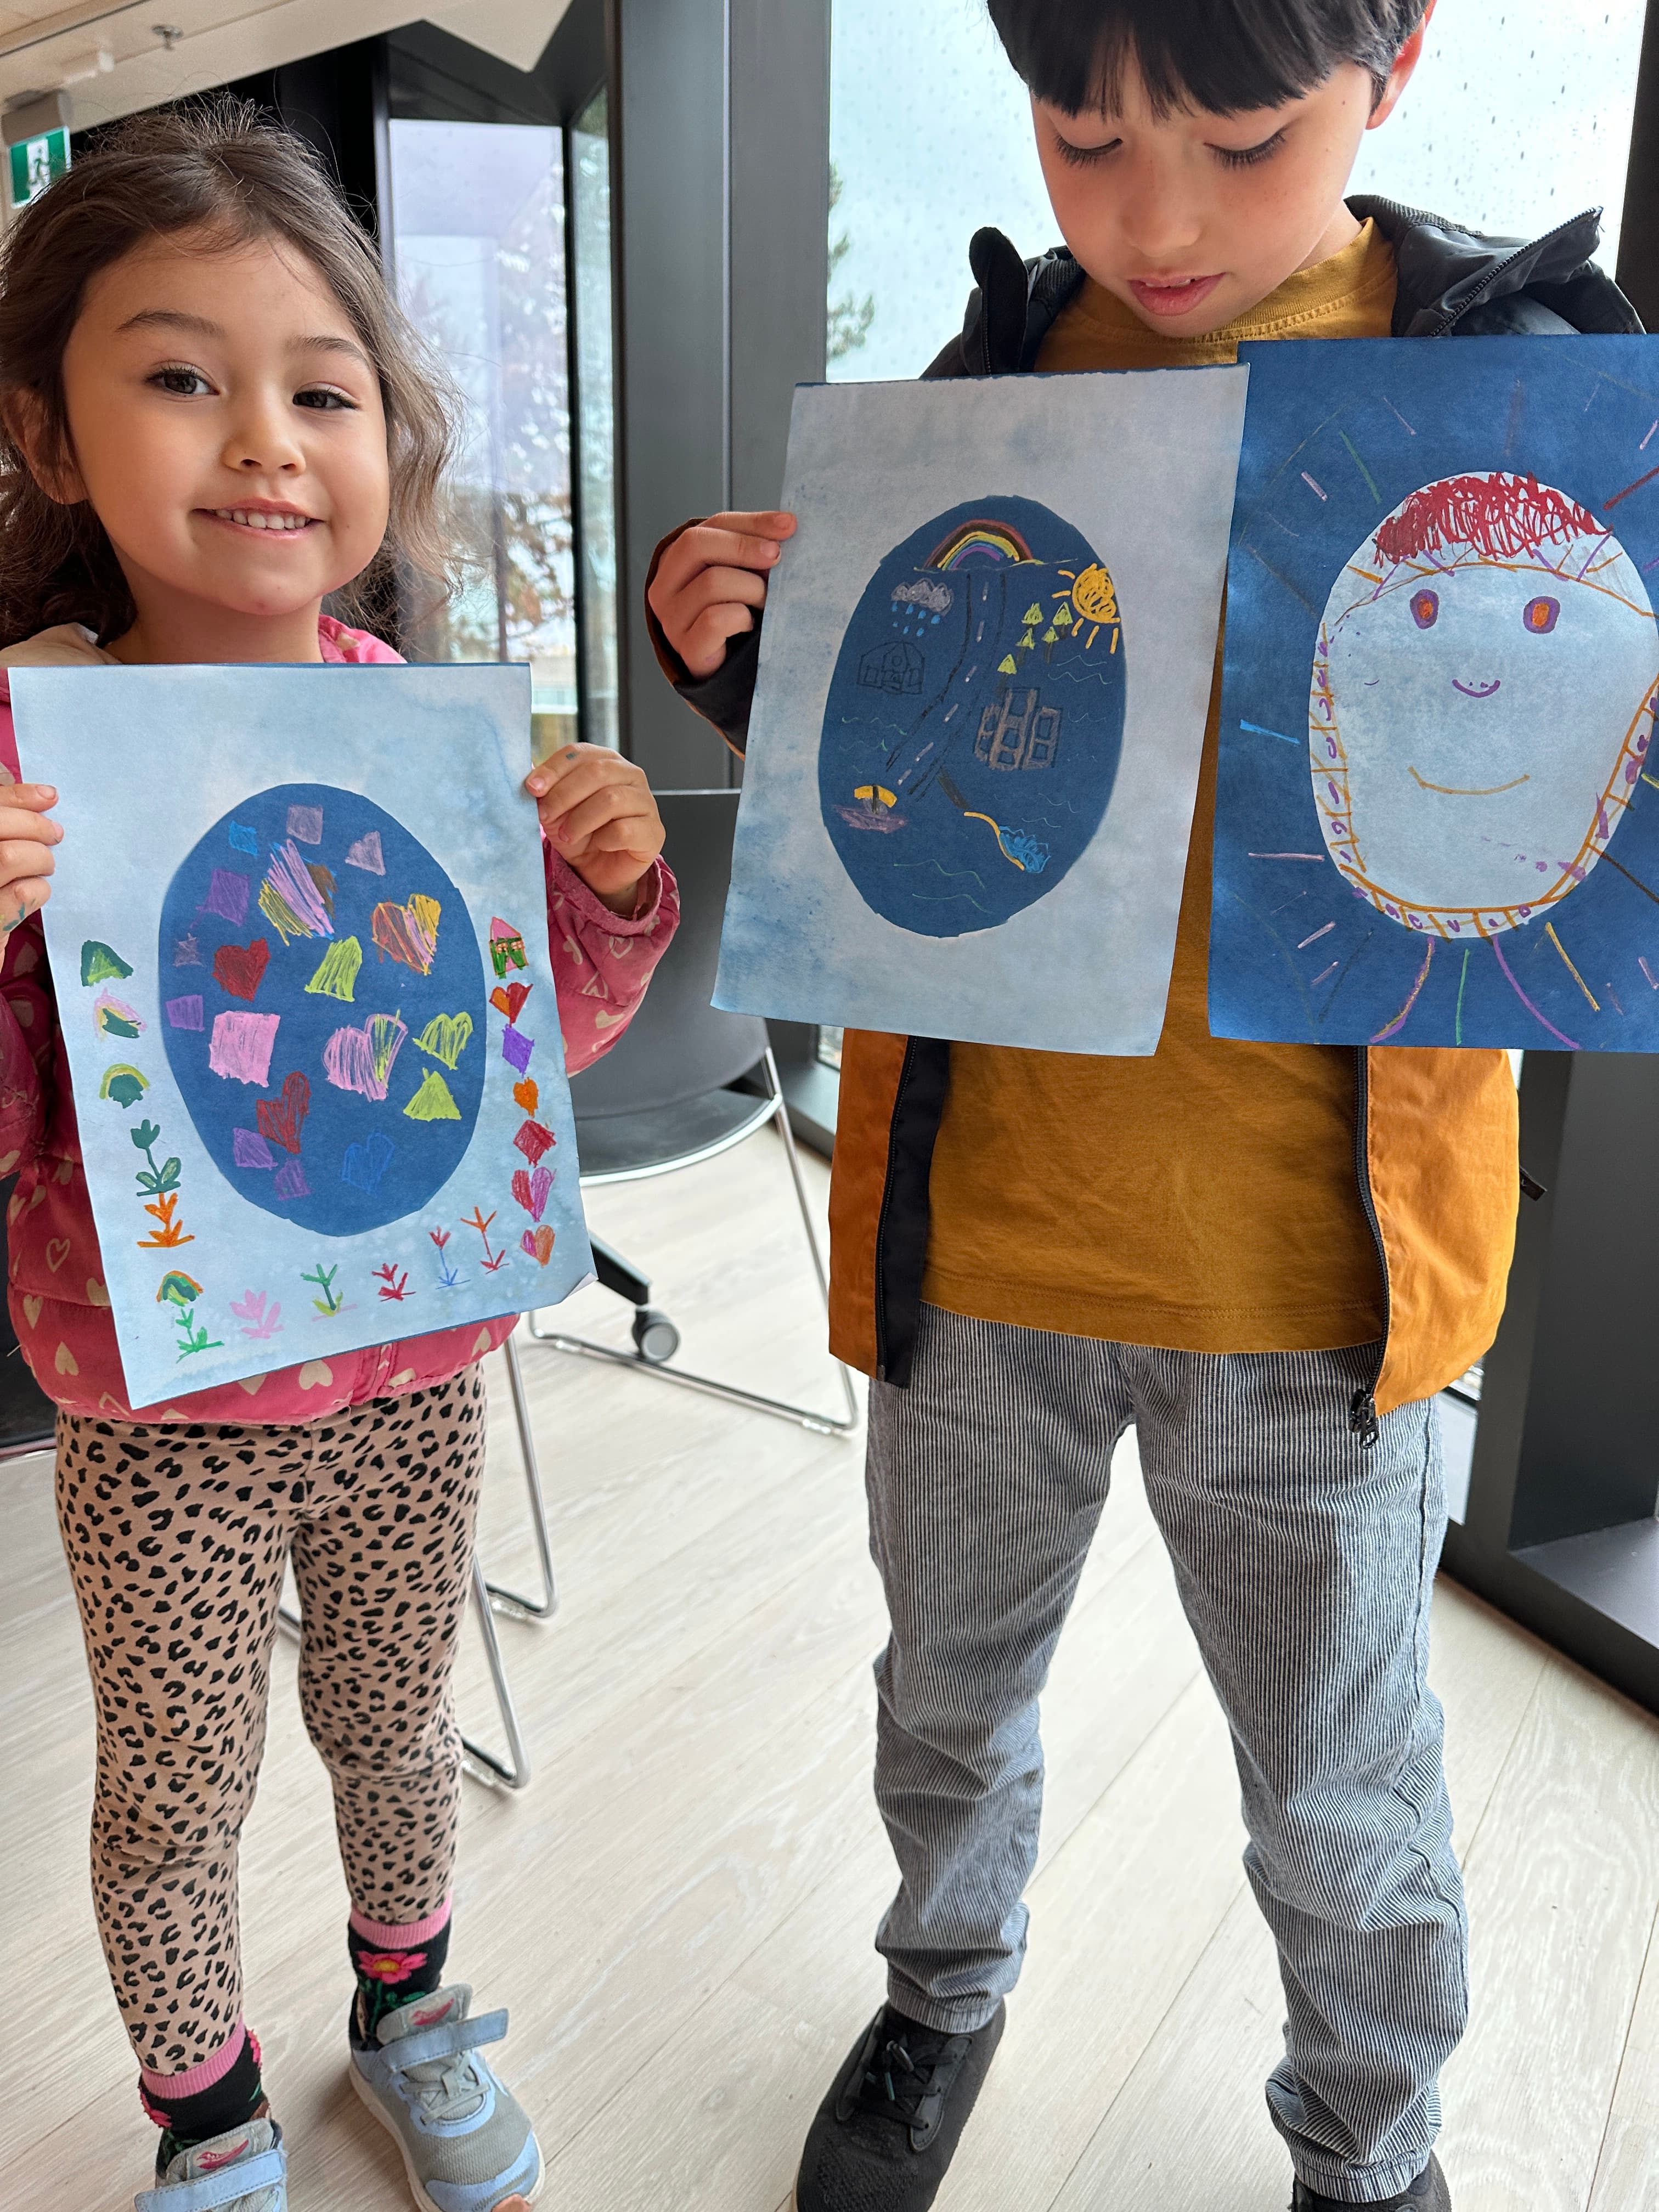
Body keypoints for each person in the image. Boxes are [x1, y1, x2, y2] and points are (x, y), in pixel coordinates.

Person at [644, 4, 1641, 2207]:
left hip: (1314, 1282)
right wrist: (741, 656)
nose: (1155, 213)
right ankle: (944, 1992)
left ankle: (1372, 2152)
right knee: (945, 1697)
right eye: (1081, 135)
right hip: (978, 1238)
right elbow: (892, 741)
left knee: (1340, 1786)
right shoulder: (990, 380)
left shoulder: (1517, 363)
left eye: (1239, 132)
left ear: (1399, 59)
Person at [0, 105, 676, 2212]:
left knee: (397, 1726)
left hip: (410, 1368)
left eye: (325, 389)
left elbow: (519, 1053)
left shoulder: (421, 719)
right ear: (46, 439)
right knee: (172, 1790)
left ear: (394, 440)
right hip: (169, 1401)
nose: (267, 441)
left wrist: (603, 897)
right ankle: (206, 2121)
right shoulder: (31, 757)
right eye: (183, 376)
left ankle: (411, 2011)